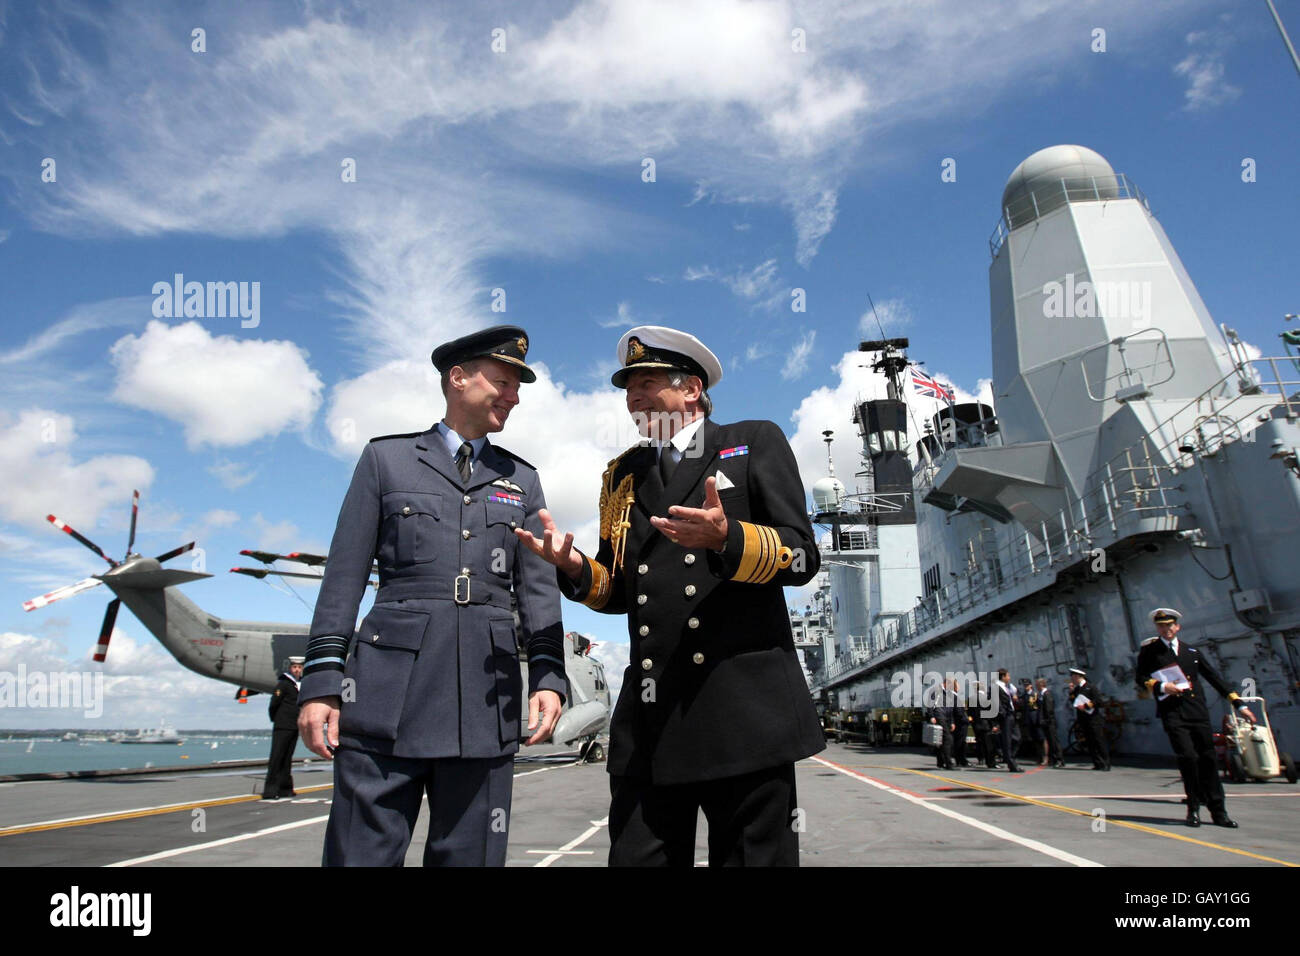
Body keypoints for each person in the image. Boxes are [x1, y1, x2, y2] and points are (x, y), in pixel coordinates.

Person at [519, 325, 824, 866]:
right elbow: (618, 590)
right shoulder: (624, 475)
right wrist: (571, 566)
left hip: (743, 711)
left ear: (692, 389)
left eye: (648, 380)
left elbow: (801, 557)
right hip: (652, 721)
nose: (633, 395)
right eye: (627, 385)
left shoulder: (752, 442)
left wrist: (727, 539)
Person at [297, 325, 568, 866]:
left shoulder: (522, 478)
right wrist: (321, 683)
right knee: (360, 856)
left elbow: (538, 593)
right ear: (458, 378)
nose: (513, 396)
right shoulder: (386, 461)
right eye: (503, 381)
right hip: (384, 699)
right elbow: (343, 579)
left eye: (518, 387)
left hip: (485, 704)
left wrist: (548, 678)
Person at [1136, 607, 1255, 828]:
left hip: (1197, 711)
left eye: (1170, 625)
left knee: (1209, 759)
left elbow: (1214, 678)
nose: (1166, 629)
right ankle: (1193, 808)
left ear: (1177, 627)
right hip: (1172, 711)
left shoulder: (1191, 652)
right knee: (1188, 757)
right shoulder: (1149, 652)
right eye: (1161, 625)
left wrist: (1240, 705)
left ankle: (1219, 812)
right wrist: (1162, 686)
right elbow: (1140, 677)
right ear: (1157, 628)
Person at [262, 656, 304, 799]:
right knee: (277, 757)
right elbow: (274, 704)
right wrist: (277, 720)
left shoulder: (299, 684)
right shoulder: (284, 684)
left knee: (287, 758)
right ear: (290, 668)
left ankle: (285, 789)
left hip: (294, 726)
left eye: (299, 667)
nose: (297, 670)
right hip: (282, 725)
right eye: (294, 667)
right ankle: (270, 790)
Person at [1068, 667, 1110, 771]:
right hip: (1083, 719)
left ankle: (1105, 763)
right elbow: (1074, 702)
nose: (1072, 679)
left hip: (1094, 719)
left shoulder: (1091, 687)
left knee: (1098, 741)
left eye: (1073, 676)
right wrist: (1071, 692)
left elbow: (1099, 701)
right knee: (1090, 742)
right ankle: (1097, 763)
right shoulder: (1077, 689)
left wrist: (1086, 706)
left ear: (1078, 676)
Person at [993, 669, 1023, 772]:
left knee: (1017, 738)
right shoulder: (996, 687)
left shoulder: (1006, 687)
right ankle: (1011, 763)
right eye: (1008, 676)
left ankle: (1009, 757)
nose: (1009, 677)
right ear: (1003, 677)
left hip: (1012, 715)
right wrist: (1002, 714)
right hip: (1006, 716)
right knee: (1007, 740)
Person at [1037, 677, 1065, 767]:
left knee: (1054, 741)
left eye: (1037, 684)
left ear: (1041, 684)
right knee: (1050, 741)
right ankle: (1054, 759)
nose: (1036, 686)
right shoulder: (1042, 694)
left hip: (1049, 722)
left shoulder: (1047, 694)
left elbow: (1049, 709)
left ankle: (1059, 759)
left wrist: (1046, 720)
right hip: (1046, 722)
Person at [1021, 678, 1045, 766]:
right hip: (1029, 719)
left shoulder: (1035, 694)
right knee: (1034, 739)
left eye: (1027, 685)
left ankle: (1044, 757)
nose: (1025, 687)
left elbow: (1039, 707)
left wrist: (1040, 718)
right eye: (1024, 685)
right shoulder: (1024, 696)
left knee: (1040, 738)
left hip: (1036, 719)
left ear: (1031, 685)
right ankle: (1038, 757)